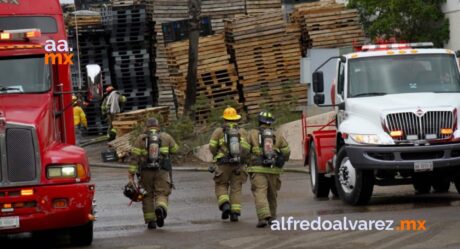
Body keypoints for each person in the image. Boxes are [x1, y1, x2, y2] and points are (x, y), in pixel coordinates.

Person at [128, 117, 179, 230]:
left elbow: (134, 157)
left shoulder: (140, 139)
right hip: (162, 171)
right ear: (158, 126)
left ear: (146, 127)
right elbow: (175, 150)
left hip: (145, 172)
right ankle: (160, 209)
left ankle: (151, 221)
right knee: (162, 193)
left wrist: (131, 172)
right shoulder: (166, 136)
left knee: (147, 195)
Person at [247, 111, 290, 228]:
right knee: (272, 194)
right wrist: (282, 159)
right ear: (271, 123)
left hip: (258, 169)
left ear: (259, 121)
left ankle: (263, 217)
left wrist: (245, 161)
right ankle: (273, 218)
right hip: (274, 170)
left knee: (260, 192)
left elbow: (244, 150)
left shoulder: (252, 134)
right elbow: (287, 152)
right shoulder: (278, 135)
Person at [208, 107, 251, 222]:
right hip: (238, 165)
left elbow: (212, 147)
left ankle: (225, 205)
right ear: (236, 118)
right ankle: (235, 213)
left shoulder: (218, 131)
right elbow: (247, 148)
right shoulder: (242, 131)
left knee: (221, 185)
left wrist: (217, 155)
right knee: (236, 188)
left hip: (223, 164)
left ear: (225, 118)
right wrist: (241, 158)